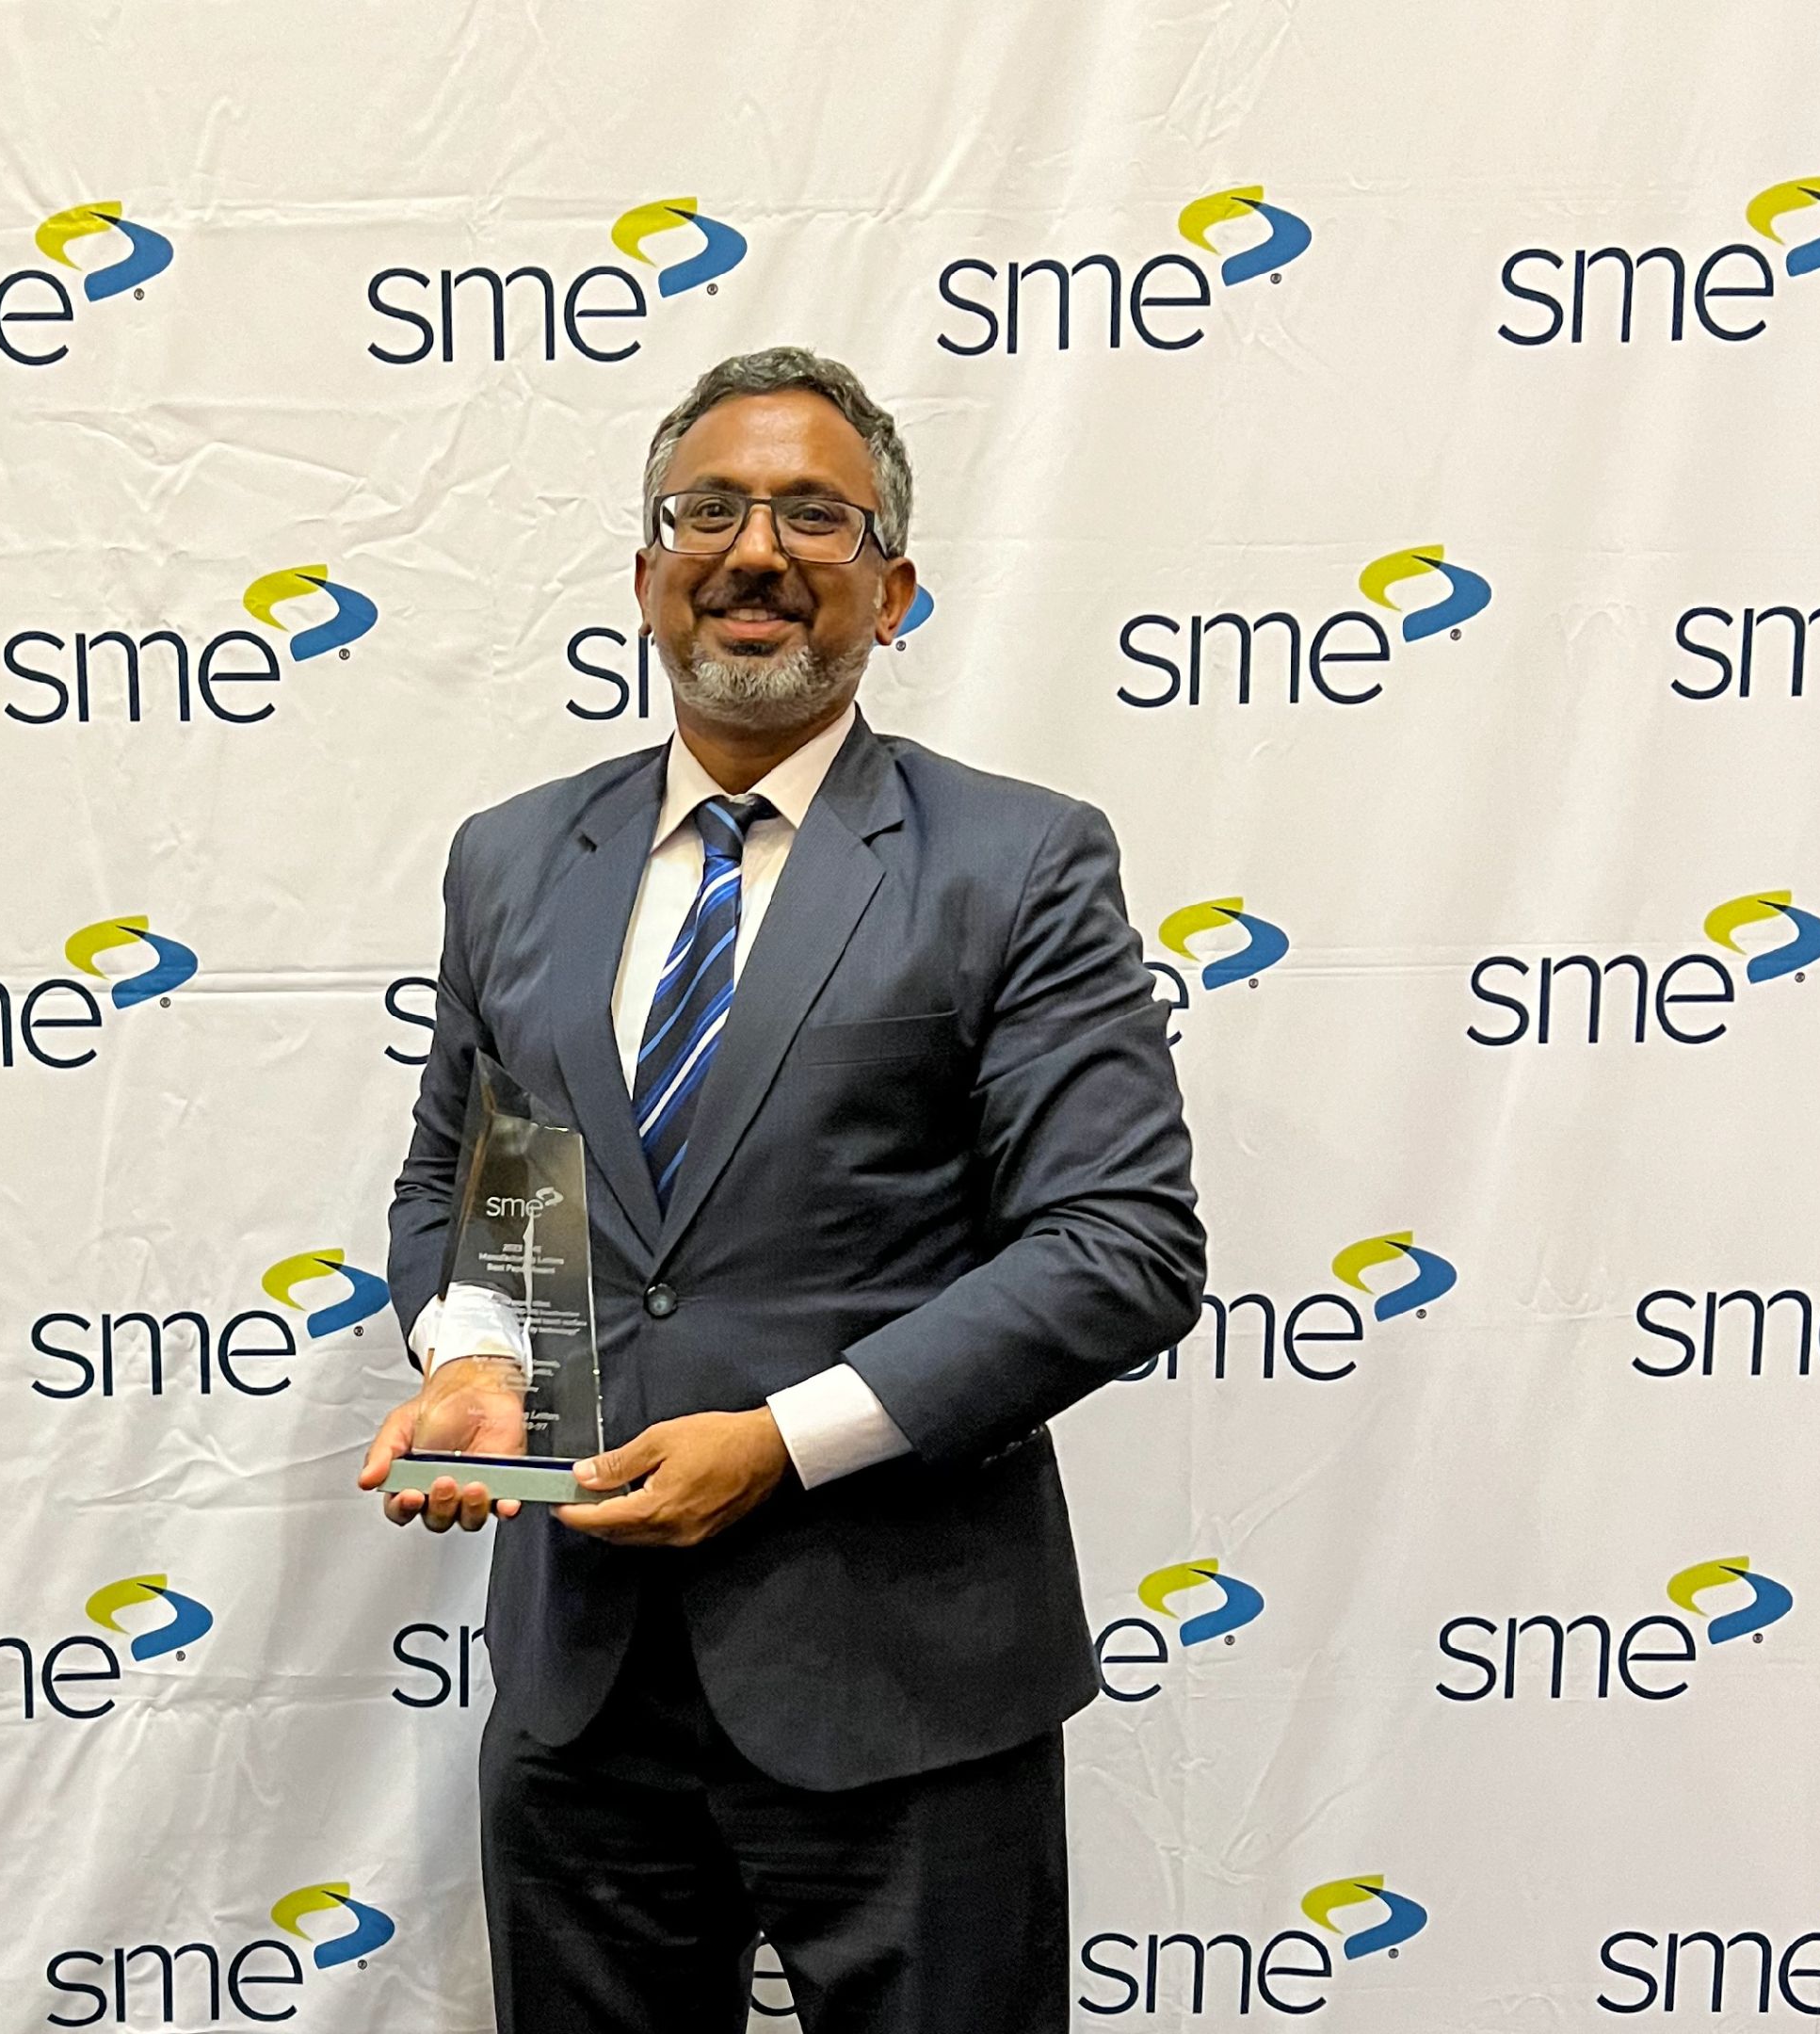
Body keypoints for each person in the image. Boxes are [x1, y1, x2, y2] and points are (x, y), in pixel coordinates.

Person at [357, 347, 1207, 2033]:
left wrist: (783, 1443)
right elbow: (475, 1175)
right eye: (710, 512)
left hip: (905, 1685)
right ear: (650, 572)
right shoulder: (513, 856)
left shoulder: (1019, 859)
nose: (755, 551)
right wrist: (476, 1361)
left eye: (816, 517)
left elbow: (1122, 1244)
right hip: (578, 1683)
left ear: (892, 587)